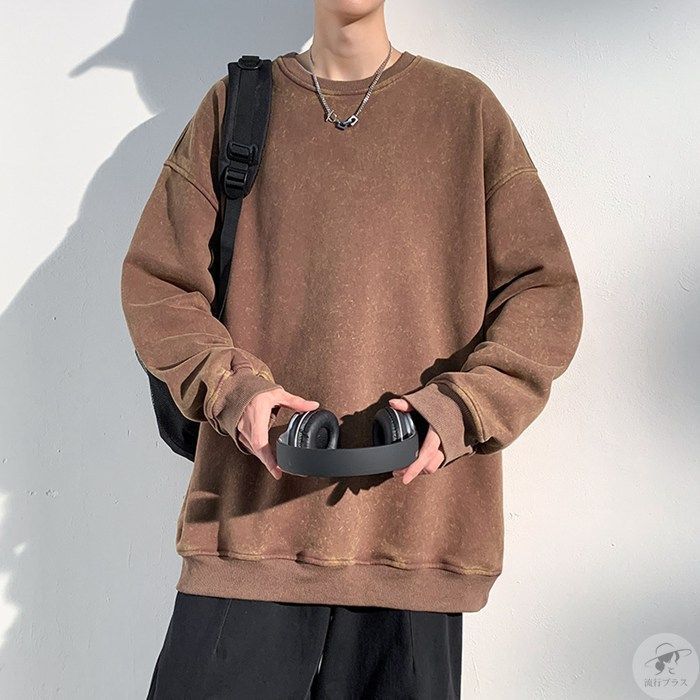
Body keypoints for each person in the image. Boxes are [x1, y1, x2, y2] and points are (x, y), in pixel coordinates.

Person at [120, 1, 584, 697]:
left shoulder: (466, 112)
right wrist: (233, 390)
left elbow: (546, 295)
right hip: (247, 541)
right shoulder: (235, 107)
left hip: (413, 546)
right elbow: (158, 282)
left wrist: (460, 409)